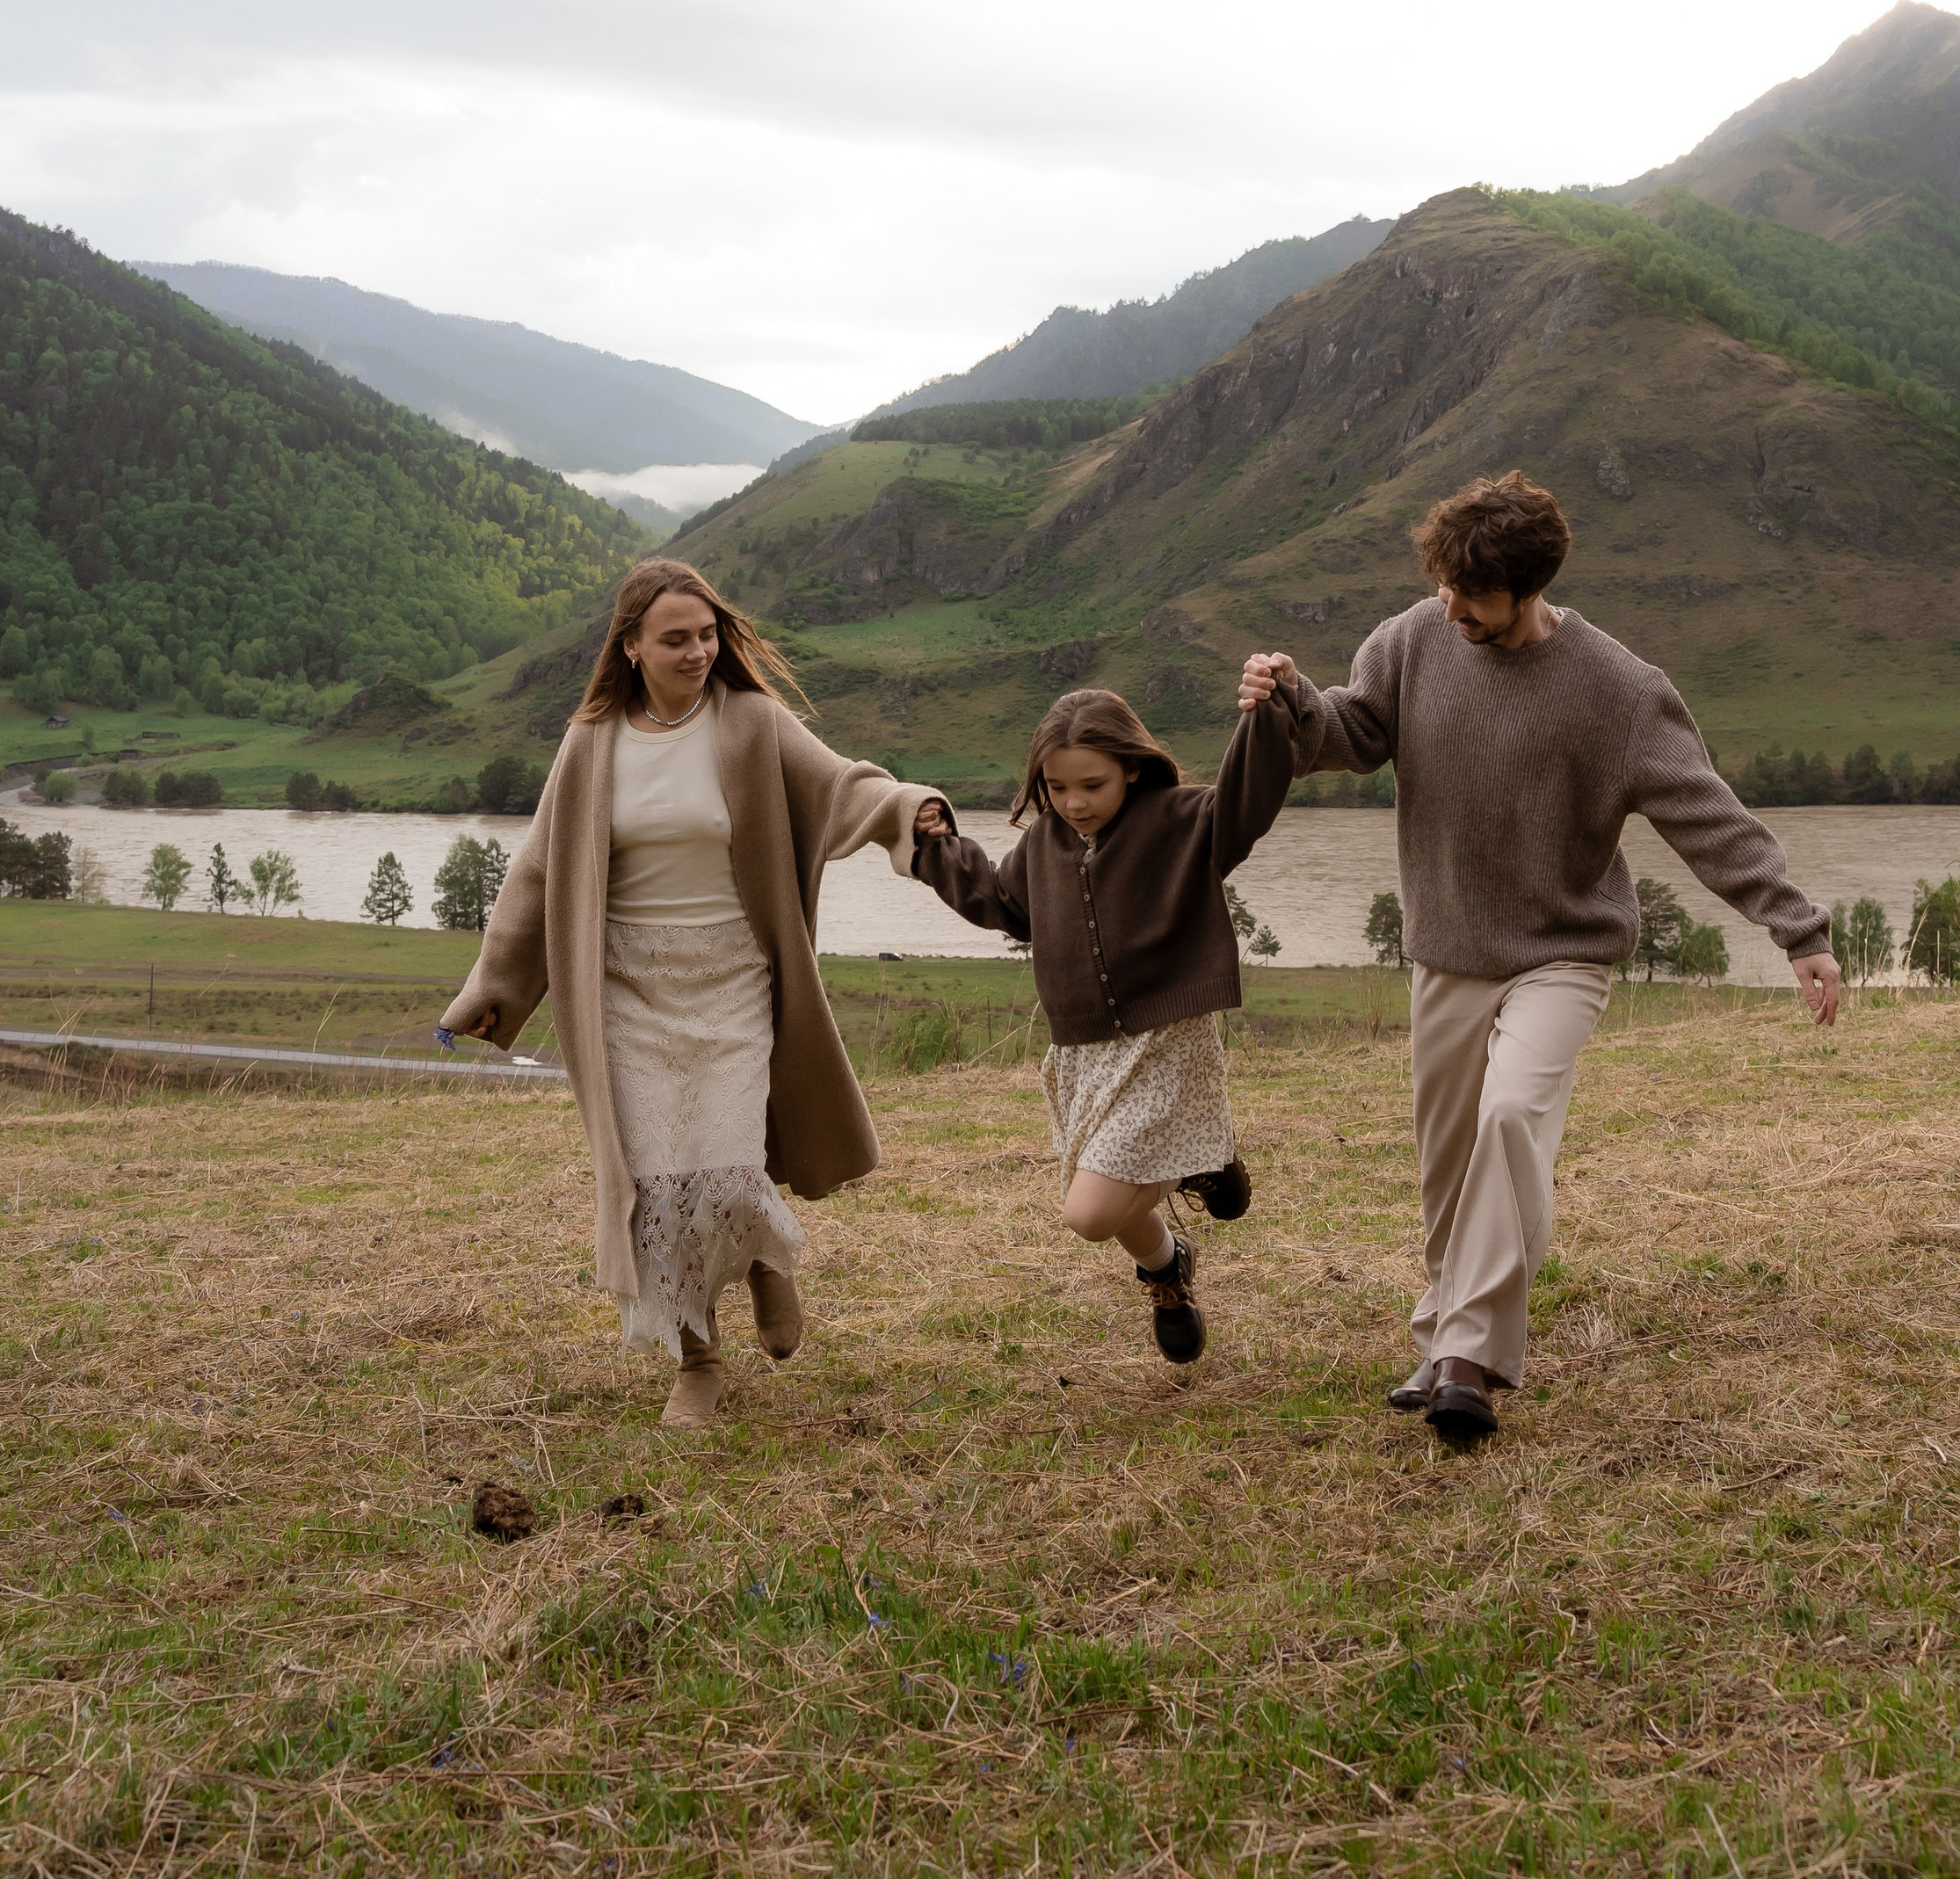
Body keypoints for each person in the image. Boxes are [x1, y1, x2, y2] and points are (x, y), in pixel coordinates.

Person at [1240, 471, 1838, 1452]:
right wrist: (1292, 701)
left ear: (1528, 588)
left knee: (1512, 1115)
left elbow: (1707, 816)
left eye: (1469, 597)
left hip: (1562, 950)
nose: (1448, 608)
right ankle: (1442, 1337)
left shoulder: (1620, 691)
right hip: (1446, 948)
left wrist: (1798, 930)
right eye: (1441, 587)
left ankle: (1468, 1359)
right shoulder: (1411, 640)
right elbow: (1349, 734)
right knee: (1446, 1164)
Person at [439, 556, 949, 1432]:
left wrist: (908, 810)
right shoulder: (591, 743)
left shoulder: (751, 723)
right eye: (674, 639)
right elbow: (536, 871)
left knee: (722, 1163)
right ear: (630, 646)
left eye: (707, 635)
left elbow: (840, 786)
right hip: (625, 988)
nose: (696, 651)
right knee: (653, 1181)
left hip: (734, 974)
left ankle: (765, 1262)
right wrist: (494, 983)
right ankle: (700, 1361)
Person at [905, 678, 1311, 1365]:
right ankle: (1167, 1269)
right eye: (1056, 788)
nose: (1073, 803)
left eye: (1091, 784)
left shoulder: (1185, 820)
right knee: (1106, 1193)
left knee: (1089, 1211)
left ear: (1131, 765)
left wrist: (1268, 712)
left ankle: (1199, 1160)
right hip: (1084, 1050)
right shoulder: (1044, 845)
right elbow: (998, 901)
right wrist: (938, 845)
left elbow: (1249, 799)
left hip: (1167, 1037)